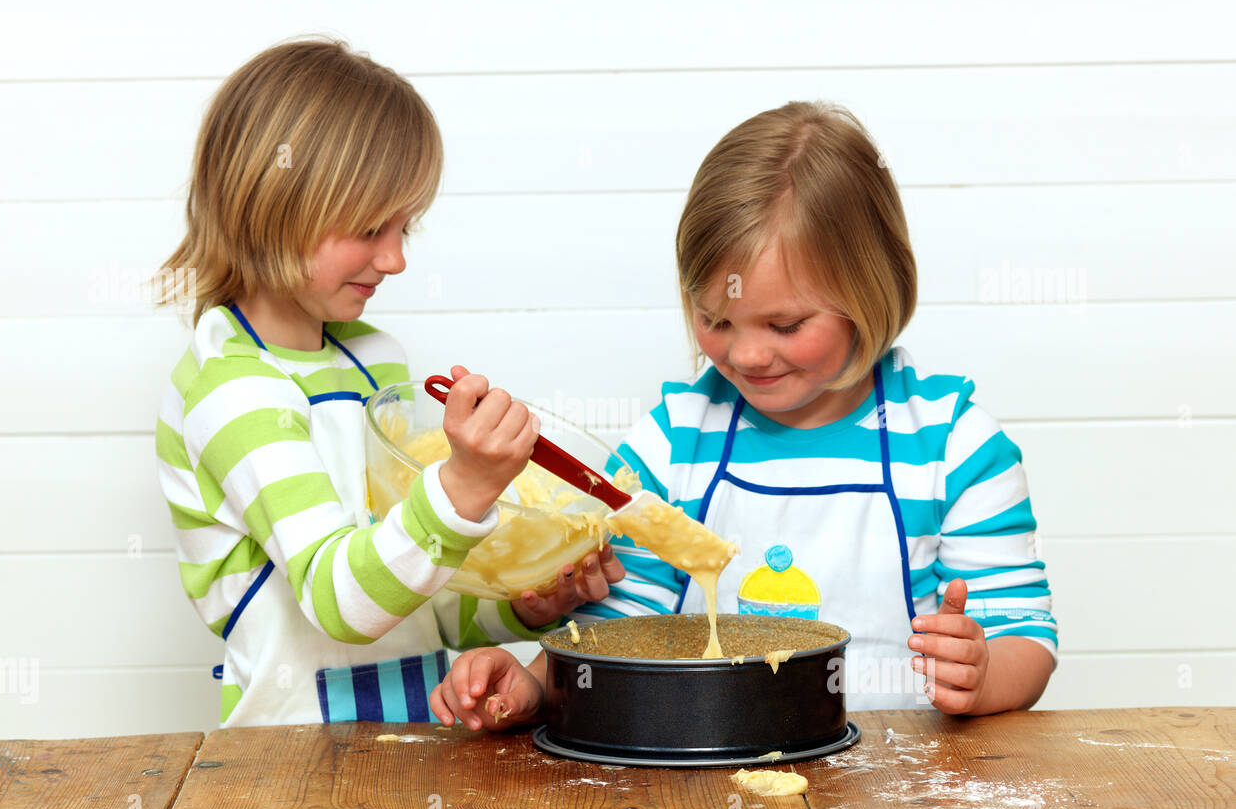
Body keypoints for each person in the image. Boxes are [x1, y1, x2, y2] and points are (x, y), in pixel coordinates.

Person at [432, 100, 1056, 729]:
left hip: (899, 799)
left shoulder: (952, 443)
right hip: (711, 796)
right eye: (716, 319)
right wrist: (536, 689)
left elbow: (1023, 635)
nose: (749, 354)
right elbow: (613, 638)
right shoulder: (672, 443)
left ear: (872, 291)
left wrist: (980, 675)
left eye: (786, 324)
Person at [155, 37, 620, 728]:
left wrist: (520, 606)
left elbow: (414, 597)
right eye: (371, 227)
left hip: (419, 739)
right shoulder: (233, 389)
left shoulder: (377, 363)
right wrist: (464, 486)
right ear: (269, 203)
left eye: (406, 226)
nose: (396, 258)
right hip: (287, 765)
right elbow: (342, 601)